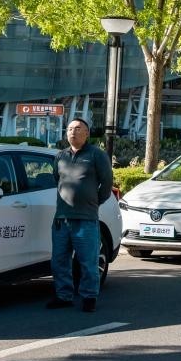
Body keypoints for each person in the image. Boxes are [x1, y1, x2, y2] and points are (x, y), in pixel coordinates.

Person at [47, 118, 113, 313]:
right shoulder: (60, 156)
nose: (72, 132)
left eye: (77, 129)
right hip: (62, 219)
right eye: (69, 129)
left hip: (86, 219)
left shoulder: (97, 155)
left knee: (88, 261)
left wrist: (93, 203)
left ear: (87, 134)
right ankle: (63, 295)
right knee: (59, 260)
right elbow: (57, 180)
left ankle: (89, 297)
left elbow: (107, 184)